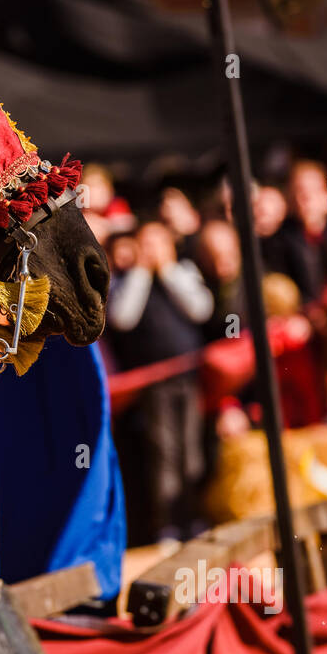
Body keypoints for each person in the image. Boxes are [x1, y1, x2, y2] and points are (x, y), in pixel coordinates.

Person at [106, 221, 213, 543]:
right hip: (154, 383)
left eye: (159, 242)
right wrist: (141, 272)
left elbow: (201, 309)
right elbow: (122, 318)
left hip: (189, 377)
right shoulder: (126, 280)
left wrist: (166, 270)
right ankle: (167, 523)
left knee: (192, 450)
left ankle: (193, 515)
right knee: (164, 451)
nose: (152, 249)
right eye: (146, 243)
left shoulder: (184, 270)